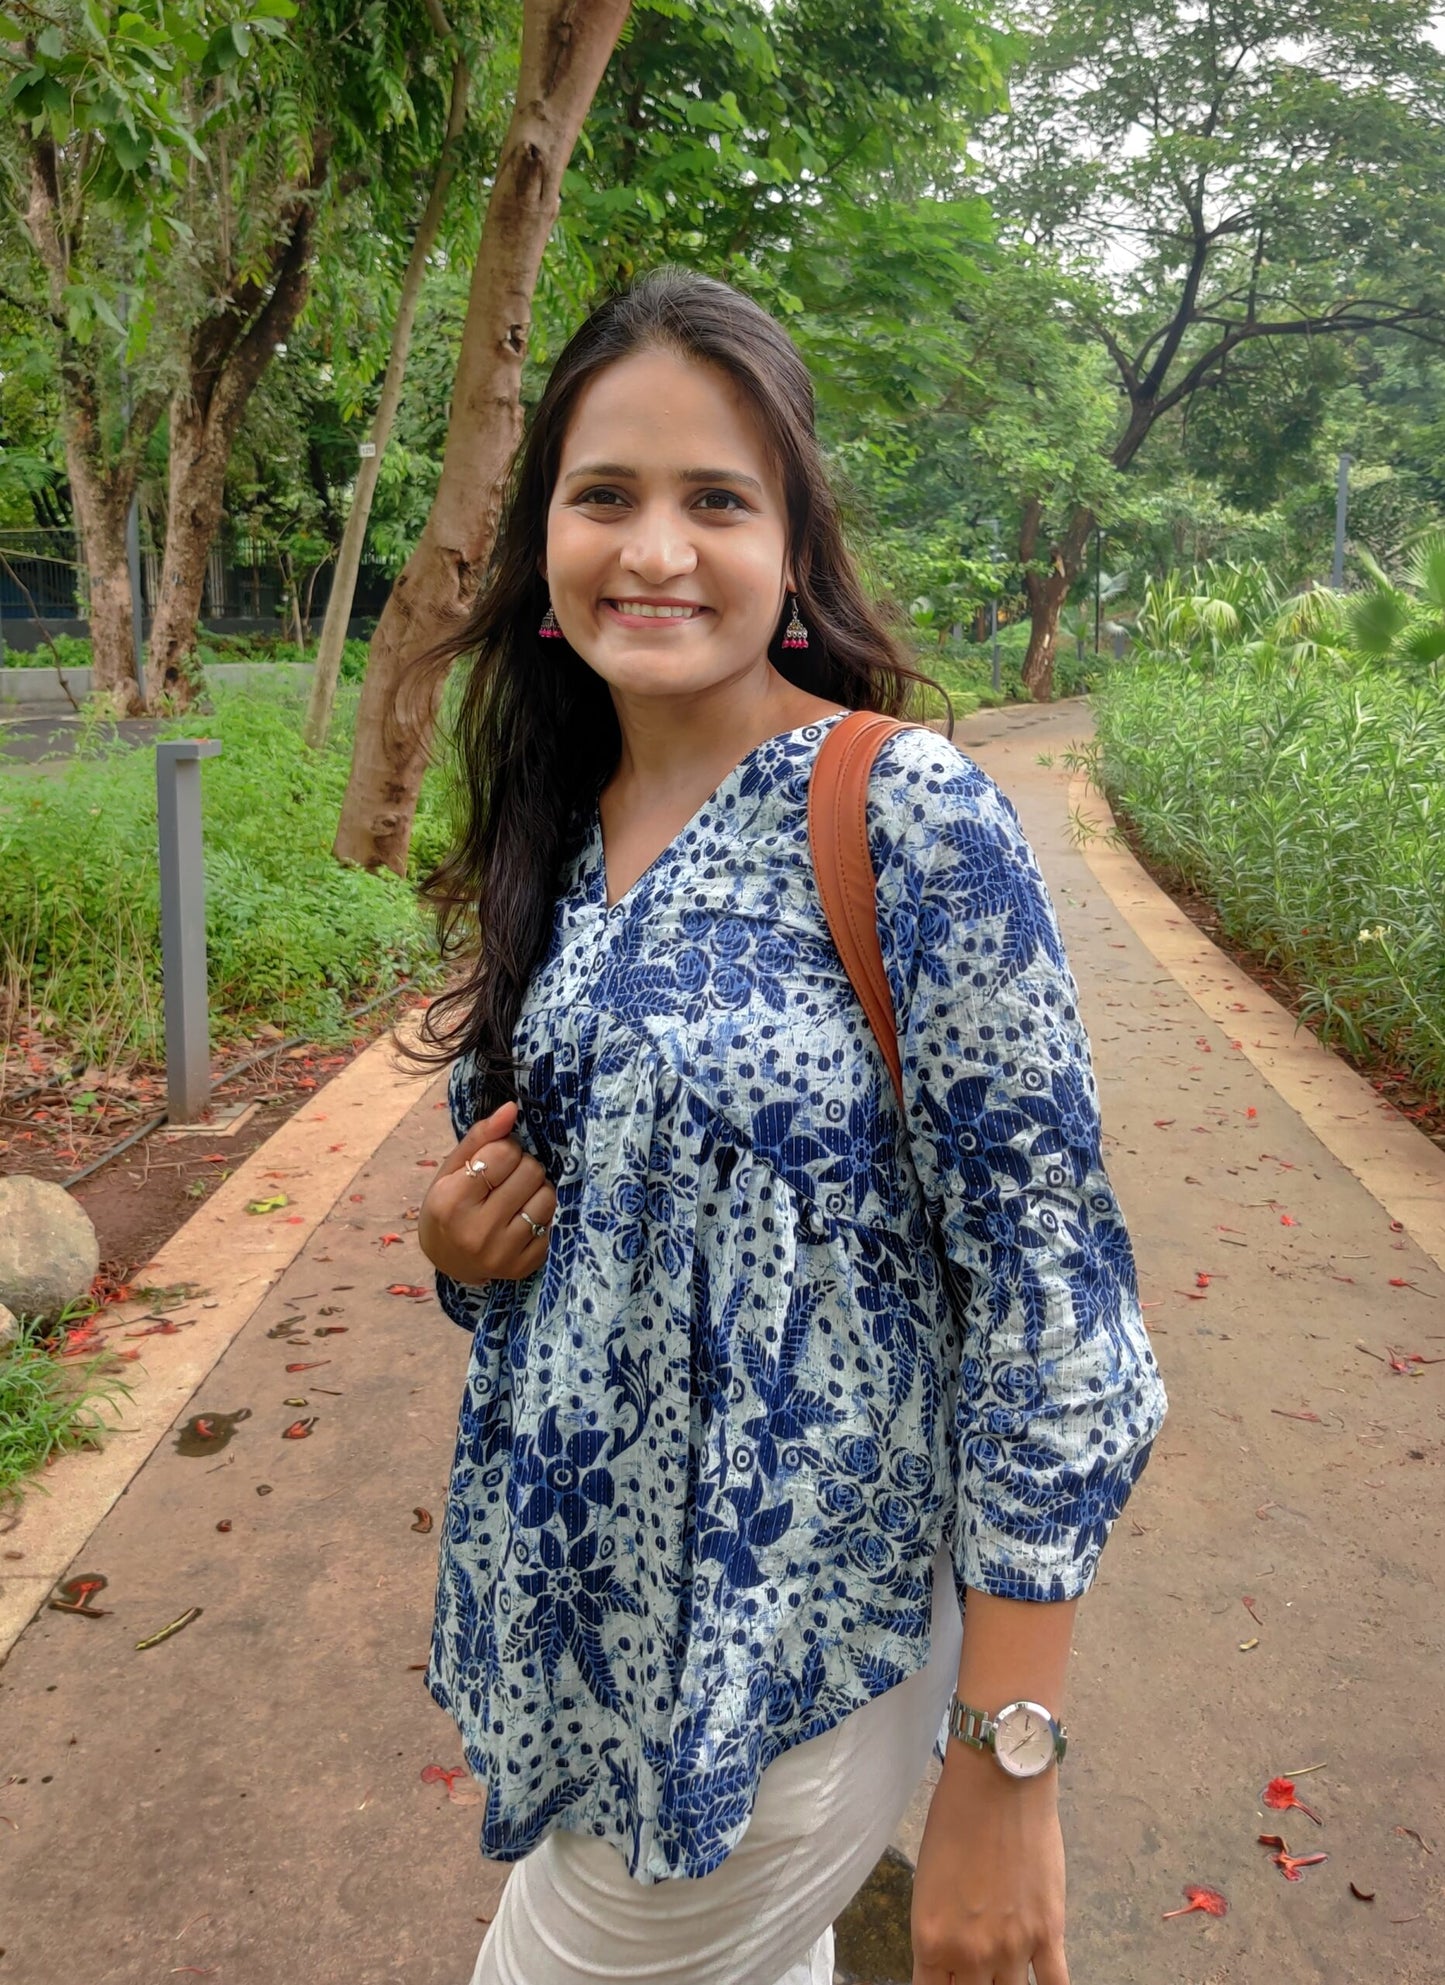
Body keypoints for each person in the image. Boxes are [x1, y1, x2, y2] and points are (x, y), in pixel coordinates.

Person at [415, 266, 1167, 1985]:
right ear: (545, 534)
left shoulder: (901, 809)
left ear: (789, 547)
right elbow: (541, 1197)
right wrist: (458, 1251)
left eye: (715, 501)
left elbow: (1052, 1293)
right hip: (585, 1622)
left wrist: (1006, 1760)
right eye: (604, 494)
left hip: (784, 1657)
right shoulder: (558, 816)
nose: (653, 550)